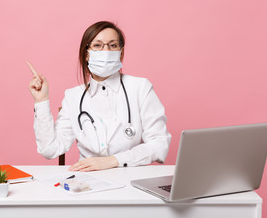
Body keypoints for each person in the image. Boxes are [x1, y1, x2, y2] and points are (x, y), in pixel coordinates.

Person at [28, 21, 171, 172]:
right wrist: (41, 101)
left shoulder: (140, 88)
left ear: (121, 53)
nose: (106, 51)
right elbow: (50, 150)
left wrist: (114, 161)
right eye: (97, 45)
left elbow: (160, 144)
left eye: (113, 45)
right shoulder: (73, 97)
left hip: (130, 178)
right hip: (86, 182)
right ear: (86, 54)